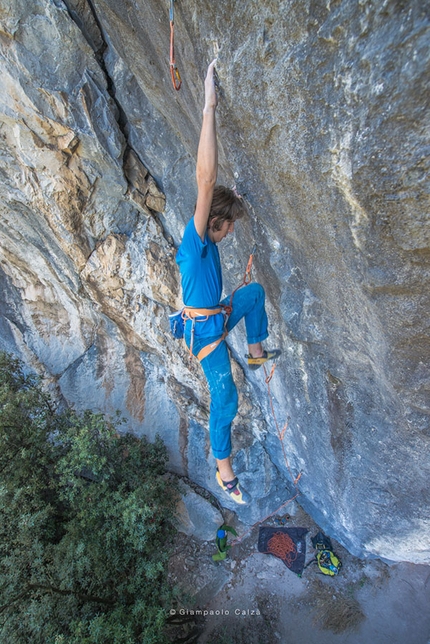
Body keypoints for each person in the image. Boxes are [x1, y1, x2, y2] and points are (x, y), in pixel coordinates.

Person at [176, 60, 280, 505]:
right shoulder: (195, 241)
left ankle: (256, 355)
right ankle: (223, 471)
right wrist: (209, 105)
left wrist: (236, 197)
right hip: (206, 335)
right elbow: (206, 179)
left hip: (216, 314)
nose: (231, 232)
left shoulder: (210, 241)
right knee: (226, 397)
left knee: (254, 294)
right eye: (228, 226)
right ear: (212, 222)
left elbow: (219, 194)